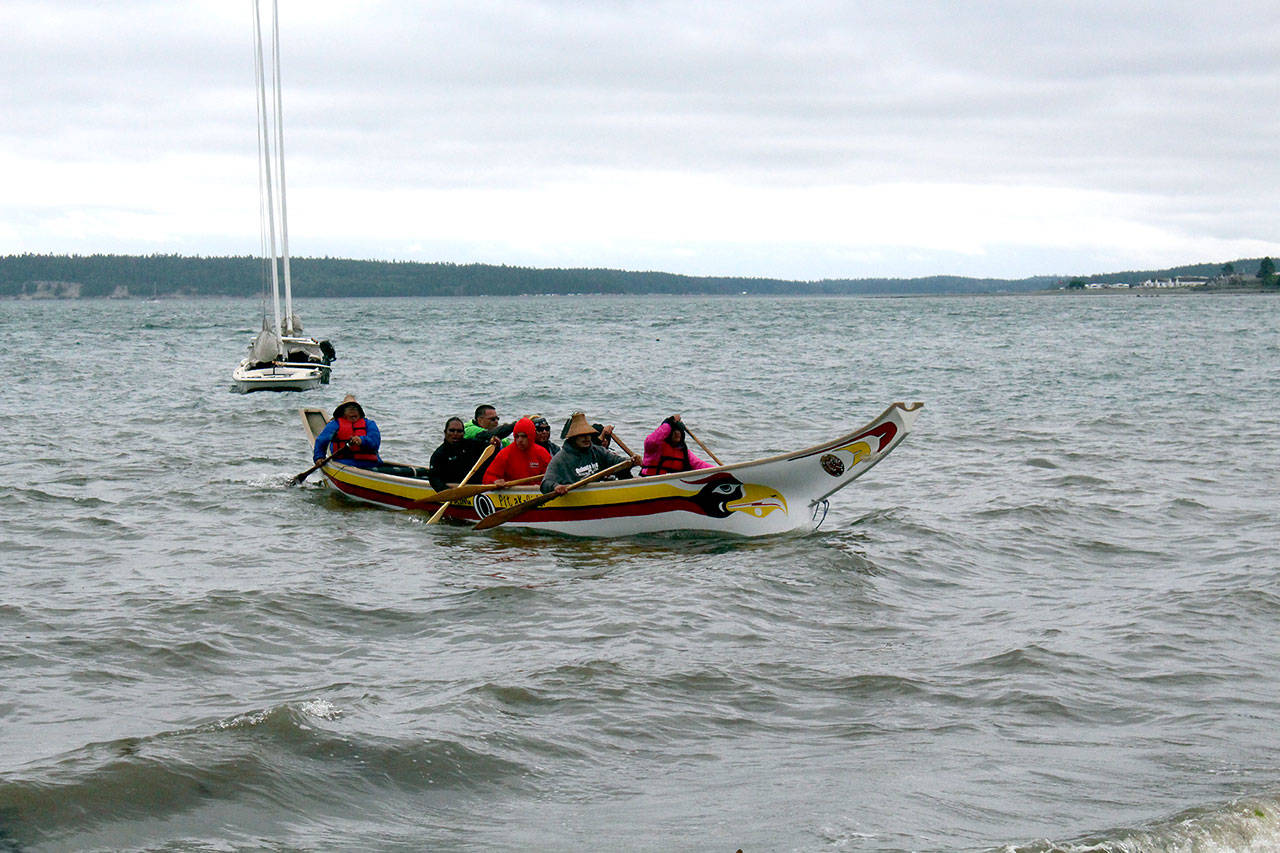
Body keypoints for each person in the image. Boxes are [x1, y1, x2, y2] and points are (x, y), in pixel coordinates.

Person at [313, 396, 428, 478]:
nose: (353, 412)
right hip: (345, 463)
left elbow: (375, 442)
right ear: (343, 413)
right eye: (349, 409)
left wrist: (361, 440)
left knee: (409, 473)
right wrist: (319, 457)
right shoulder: (335, 424)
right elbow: (321, 442)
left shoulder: (369, 424)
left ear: (360, 412)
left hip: (370, 464)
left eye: (355, 409)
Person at [542, 412, 640, 495]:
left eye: (588, 434)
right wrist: (556, 487)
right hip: (575, 499)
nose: (586, 438)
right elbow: (545, 483)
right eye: (582, 435)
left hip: (598, 496)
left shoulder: (598, 451)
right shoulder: (561, 459)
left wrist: (632, 462)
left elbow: (617, 462)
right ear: (573, 438)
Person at [428, 416, 497, 491]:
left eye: (459, 431)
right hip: (453, 488)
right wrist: (446, 491)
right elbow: (434, 478)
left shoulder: (474, 445)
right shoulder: (438, 454)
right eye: (452, 430)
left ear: (463, 433)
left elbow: (494, 456)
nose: (455, 434)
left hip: (477, 487)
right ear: (445, 432)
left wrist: (495, 445)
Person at [482, 417, 552, 486]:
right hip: (512, 493)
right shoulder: (505, 453)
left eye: (523, 436)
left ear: (531, 436)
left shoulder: (542, 453)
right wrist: (494, 481)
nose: (520, 440)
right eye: (517, 436)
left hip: (534, 492)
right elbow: (487, 477)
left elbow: (552, 477)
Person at [640, 414, 714, 476]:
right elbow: (655, 438)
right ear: (668, 433)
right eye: (674, 431)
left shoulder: (683, 450)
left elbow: (699, 465)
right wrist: (668, 422)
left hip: (672, 486)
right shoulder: (654, 445)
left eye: (679, 431)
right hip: (649, 481)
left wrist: (720, 471)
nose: (677, 433)